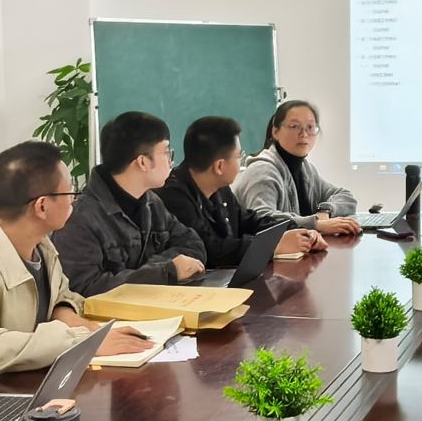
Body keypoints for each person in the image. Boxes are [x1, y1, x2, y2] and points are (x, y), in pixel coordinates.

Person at [0, 140, 152, 376]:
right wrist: (78, 341)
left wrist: (71, 317)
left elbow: (62, 295)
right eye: (70, 192)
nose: (74, 200)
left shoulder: (41, 244)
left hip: (40, 379)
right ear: (42, 206)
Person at [53, 111, 208, 297]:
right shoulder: (80, 218)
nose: (171, 161)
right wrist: (164, 272)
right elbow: (84, 289)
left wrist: (156, 270)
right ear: (142, 162)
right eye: (166, 152)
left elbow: (193, 244)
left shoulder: (151, 202)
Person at [162, 115, 324, 267]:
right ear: (220, 166)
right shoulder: (174, 196)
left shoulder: (219, 187)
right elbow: (210, 250)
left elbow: (249, 221)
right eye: (239, 156)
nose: (241, 161)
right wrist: (271, 245)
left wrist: (296, 230)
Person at [231, 100, 362, 235]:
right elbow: (262, 219)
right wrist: (316, 224)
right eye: (294, 126)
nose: (304, 134)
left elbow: (345, 197)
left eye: (310, 127)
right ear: (275, 132)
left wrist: (325, 210)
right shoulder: (262, 170)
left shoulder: (306, 169)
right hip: (265, 249)